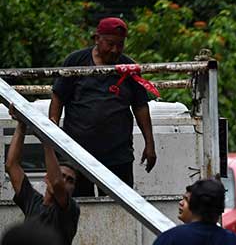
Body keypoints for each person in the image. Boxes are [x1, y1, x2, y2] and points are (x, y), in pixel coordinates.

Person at [49, 17, 157, 197]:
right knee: (79, 206)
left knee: (121, 205)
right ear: (97, 39)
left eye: (120, 45)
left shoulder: (128, 67)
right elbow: (58, 97)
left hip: (117, 154)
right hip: (77, 153)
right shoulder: (76, 61)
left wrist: (150, 144)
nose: (115, 50)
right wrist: (52, 133)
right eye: (110, 43)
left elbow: (140, 106)